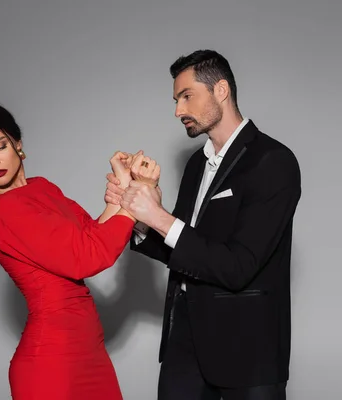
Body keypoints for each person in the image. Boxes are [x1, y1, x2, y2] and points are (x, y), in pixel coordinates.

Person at [106, 50, 302, 399]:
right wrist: (135, 211)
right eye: (176, 100)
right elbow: (186, 250)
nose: (178, 110)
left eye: (186, 96)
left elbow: (238, 266)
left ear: (221, 90)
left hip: (248, 351)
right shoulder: (197, 163)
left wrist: (159, 216)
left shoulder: (274, 161)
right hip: (184, 343)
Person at [0, 100, 159, 399]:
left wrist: (123, 187)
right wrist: (134, 200)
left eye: (0, 146)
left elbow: (90, 233)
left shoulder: (40, 188)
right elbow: (88, 257)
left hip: (89, 351)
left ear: (17, 143)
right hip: (52, 364)